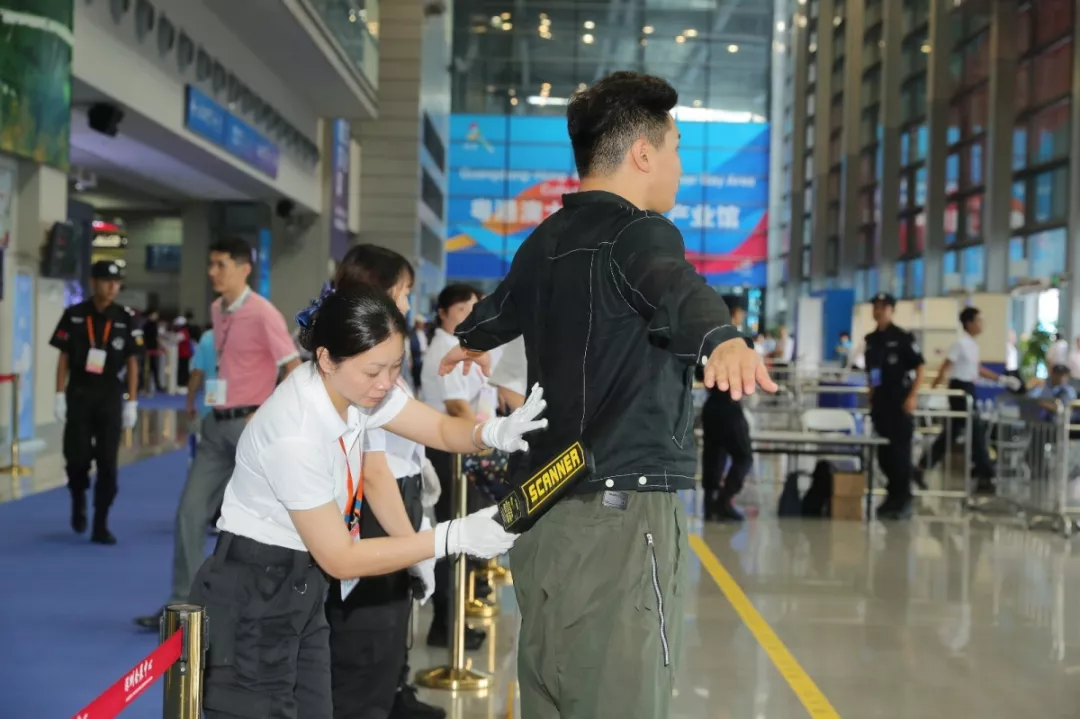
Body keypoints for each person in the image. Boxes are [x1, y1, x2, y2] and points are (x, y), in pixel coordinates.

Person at [437, 71, 776, 719]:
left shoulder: (545, 239)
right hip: (618, 516)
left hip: (542, 512)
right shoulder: (639, 232)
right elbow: (674, 285)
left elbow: (502, 307)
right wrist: (723, 338)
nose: (679, 165)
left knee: (551, 695)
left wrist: (473, 338)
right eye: (675, 148)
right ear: (643, 153)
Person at [189, 286, 545, 719]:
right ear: (326, 358)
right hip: (255, 590)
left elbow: (437, 428)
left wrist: (490, 433)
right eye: (374, 371)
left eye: (395, 367)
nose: (386, 383)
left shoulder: (354, 389)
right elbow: (341, 557)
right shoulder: (294, 431)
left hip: (303, 585)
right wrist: (451, 537)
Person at [136, 237, 303, 628]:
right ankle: (186, 606)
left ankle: (267, 609)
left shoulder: (263, 313)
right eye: (210, 264)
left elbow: (293, 368)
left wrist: (266, 414)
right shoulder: (217, 309)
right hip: (215, 427)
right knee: (190, 513)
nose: (212, 272)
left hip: (250, 432)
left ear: (245, 269)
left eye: (221, 264)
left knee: (261, 524)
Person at [322, 244, 445, 719]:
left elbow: (423, 430)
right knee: (366, 643)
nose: (409, 304)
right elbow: (374, 473)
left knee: (388, 631)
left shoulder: (380, 353)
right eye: (404, 292)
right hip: (374, 510)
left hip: (395, 498)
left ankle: (392, 694)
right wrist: (414, 549)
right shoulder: (359, 364)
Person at [420, 283, 494, 649]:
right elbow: (457, 406)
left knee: (460, 531)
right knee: (452, 535)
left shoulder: (460, 346)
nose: (468, 316)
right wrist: (489, 438)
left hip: (460, 445)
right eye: (461, 309)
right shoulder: (443, 348)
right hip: (448, 449)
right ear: (443, 312)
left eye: (473, 309)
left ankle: (452, 619)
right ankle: (446, 623)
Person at [50, 259, 143, 544]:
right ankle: (78, 496)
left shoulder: (125, 318)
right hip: (79, 393)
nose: (113, 287)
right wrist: (59, 394)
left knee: (107, 461)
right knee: (76, 456)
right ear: (94, 283)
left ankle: (101, 522)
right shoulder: (75, 315)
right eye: (107, 282)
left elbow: (133, 361)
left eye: (117, 283)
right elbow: (63, 356)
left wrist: (132, 401)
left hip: (109, 395)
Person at [916, 306, 1019, 493]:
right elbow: (945, 366)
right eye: (978, 320)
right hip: (960, 389)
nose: (981, 324)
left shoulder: (973, 346)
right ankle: (985, 474)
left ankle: (922, 467)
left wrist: (1002, 379)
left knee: (952, 433)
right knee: (976, 430)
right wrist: (932, 391)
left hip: (968, 387)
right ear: (969, 323)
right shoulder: (960, 344)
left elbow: (977, 369)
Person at [863, 293, 924, 519]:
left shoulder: (902, 337)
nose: (879, 311)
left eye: (883, 307)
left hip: (899, 402)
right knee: (884, 455)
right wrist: (871, 393)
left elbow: (919, 368)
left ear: (891, 310)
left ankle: (903, 499)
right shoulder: (872, 340)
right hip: (881, 404)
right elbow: (873, 372)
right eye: (876, 307)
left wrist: (912, 396)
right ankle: (892, 497)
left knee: (900, 455)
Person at [700, 300, 754, 522]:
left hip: (711, 406)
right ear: (734, 313)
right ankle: (723, 500)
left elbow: (699, 372)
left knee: (713, 455)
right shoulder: (737, 341)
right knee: (743, 456)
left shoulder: (706, 340)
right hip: (728, 406)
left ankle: (709, 505)